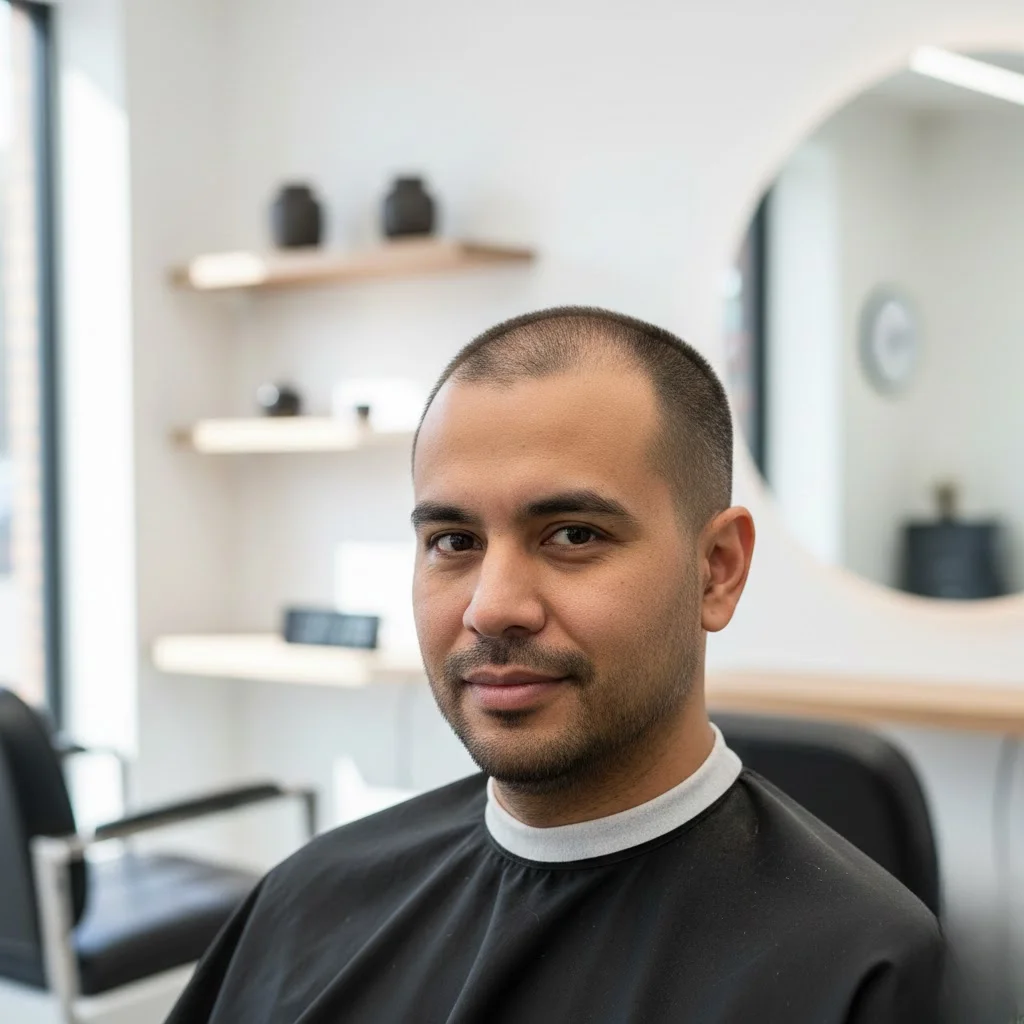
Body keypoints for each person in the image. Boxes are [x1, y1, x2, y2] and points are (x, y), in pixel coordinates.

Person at [166, 307, 942, 1023]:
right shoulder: (306, 903)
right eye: (454, 542)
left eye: (573, 535)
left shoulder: (854, 967)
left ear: (717, 570)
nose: (492, 607)